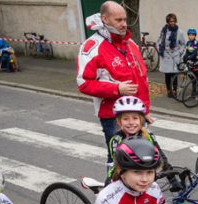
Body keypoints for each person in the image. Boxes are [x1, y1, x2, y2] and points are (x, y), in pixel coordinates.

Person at [77, 1, 150, 177]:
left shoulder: (130, 44)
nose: (124, 24)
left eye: (125, 19)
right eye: (118, 20)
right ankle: (111, 191)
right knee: (118, 161)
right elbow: (84, 83)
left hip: (136, 114)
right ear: (105, 19)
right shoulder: (92, 46)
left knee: (142, 159)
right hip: (112, 117)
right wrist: (117, 88)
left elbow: (141, 80)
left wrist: (144, 111)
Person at [106, 96, 180, 194]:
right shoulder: (116, 140)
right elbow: (116, 164)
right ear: (119, 122)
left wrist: (173, 180)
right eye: (126, 119)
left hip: (146, 181)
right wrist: (109, 179)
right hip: (127, 182)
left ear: (141, 120)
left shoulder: (148, 137)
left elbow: (162, 158)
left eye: (135, 118)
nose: (131, 122)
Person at [157, 13, 186, 98]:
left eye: (174, 21)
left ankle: (175, 90)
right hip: (166, 55)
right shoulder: (163, 31)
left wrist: (180, 52)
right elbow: (158, 41)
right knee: (167, 75)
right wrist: (160, 50)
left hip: (175, 56)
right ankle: (169, 90)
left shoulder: (179, 32)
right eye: (171, 21)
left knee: (175, 75)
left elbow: (183, 44)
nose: (173, 23)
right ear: (168, 22)